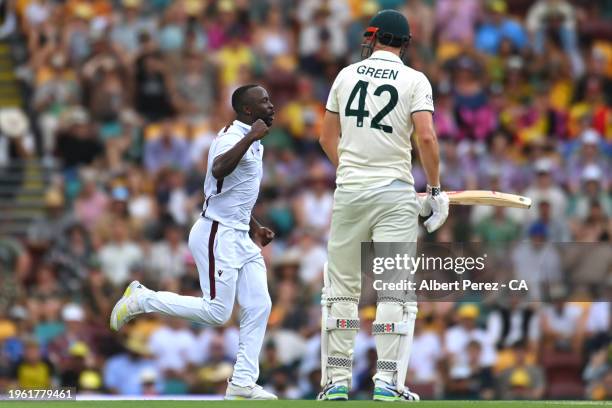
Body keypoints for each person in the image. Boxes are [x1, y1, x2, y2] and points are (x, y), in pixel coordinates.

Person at [109, 84, 278, 400]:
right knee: (217, 313)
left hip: (239, 233)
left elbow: (230, 192)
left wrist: (254, 225)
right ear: (247, 110)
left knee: (260, 304)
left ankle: (242, 381)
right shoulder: (232, 138)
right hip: (217, 233)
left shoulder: (254, 140)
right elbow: (218, 170)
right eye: (264, 101)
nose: (271, 105)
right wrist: (250, 137)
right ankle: (142, 299)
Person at [318, 9, 448, 401]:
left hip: (350, 192)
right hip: (395, 193)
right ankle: (387, 381)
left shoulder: (345, 75)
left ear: (373, 38)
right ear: (406, 44)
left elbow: (327, 138)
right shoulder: (414, 79)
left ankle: (337, 382)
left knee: (341, 289)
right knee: (394, 290)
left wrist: (355, 174)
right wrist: (436, 190)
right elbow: (425, 138)